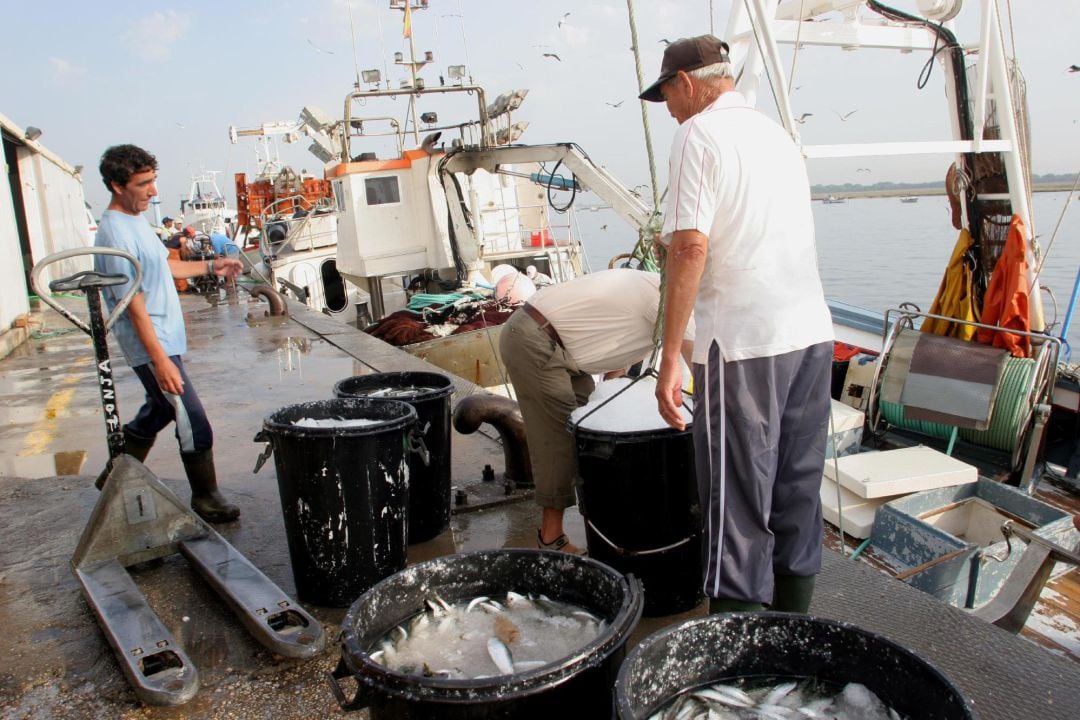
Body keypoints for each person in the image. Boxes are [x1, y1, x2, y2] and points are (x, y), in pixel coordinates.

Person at [641, 36, 834, 613]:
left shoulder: (697, 134)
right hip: (811, 337)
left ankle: (735, 656)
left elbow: (692, 247)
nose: (668, 109)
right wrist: (678, 245)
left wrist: (670, 357)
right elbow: (750, 233)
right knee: (797, 491)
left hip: (744, 345)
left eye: (667, 95)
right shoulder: (779, 136)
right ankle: (792, 634)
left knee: (736, 503)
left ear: (687, 84)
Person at [92, 144, 243, 523]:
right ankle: (206, 498)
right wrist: (159, 360)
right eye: (143, 184)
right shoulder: (114, 233)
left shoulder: (137, 221)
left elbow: (166, 269)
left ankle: (115, 474)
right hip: (151, 342)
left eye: (153, 181)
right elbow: (133, 302)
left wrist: (213, 266)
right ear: (116, 185)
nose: (153, 191)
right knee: (191, 418)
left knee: (158, 409)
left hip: (164, 337)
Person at [499, 268, 695, 554]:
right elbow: (700, 371)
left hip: (561, 348)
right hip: (536, 338)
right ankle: (551, 538)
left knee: (589, 435)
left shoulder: (658, 292)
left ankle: (605, 526)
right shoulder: (669, 301)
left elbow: (619, 356)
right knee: (561, 440)